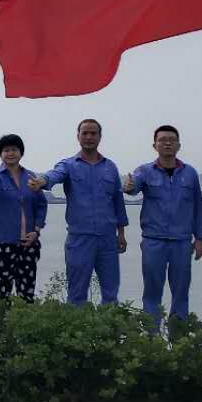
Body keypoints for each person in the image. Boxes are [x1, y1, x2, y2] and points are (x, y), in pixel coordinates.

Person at [29, 119, 128, 305]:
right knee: (76, 294)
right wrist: (42, 181)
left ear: (100, 137)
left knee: (111, 294)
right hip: (80, 240)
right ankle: (76, 325)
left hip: (108, 240)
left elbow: (118, 202)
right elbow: (55, 174)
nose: (89, 137)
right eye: (85, 133)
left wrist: (121, 233)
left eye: (93, 133)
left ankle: (109, 325)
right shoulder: (68, 165)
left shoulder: (110, 167)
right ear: (78, 136)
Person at [123, 125, 202, 326]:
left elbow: (197, 206)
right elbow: (133, 187)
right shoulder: (145, 171)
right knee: (152, 293)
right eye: (162, 140)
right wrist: (129, 187)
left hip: (181, 242)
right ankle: (151, 336)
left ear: (179, 145)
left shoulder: (190, 173)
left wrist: (199, 238)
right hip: (153, 241)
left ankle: (178, 335)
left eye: (171, 140)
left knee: (181, 293)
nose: (167, 143)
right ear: (155, 145)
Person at [0, 134, 48, 302]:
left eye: (14, 150)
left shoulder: (30, 177)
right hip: (1, 244)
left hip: (28, 244)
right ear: (0, 154)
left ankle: (24, 320)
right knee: (1, 294)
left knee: (27, 293)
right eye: (6, 150)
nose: (10, 153)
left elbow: (41, 204)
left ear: (21, 152)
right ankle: (1, 320)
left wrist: (36, 230)